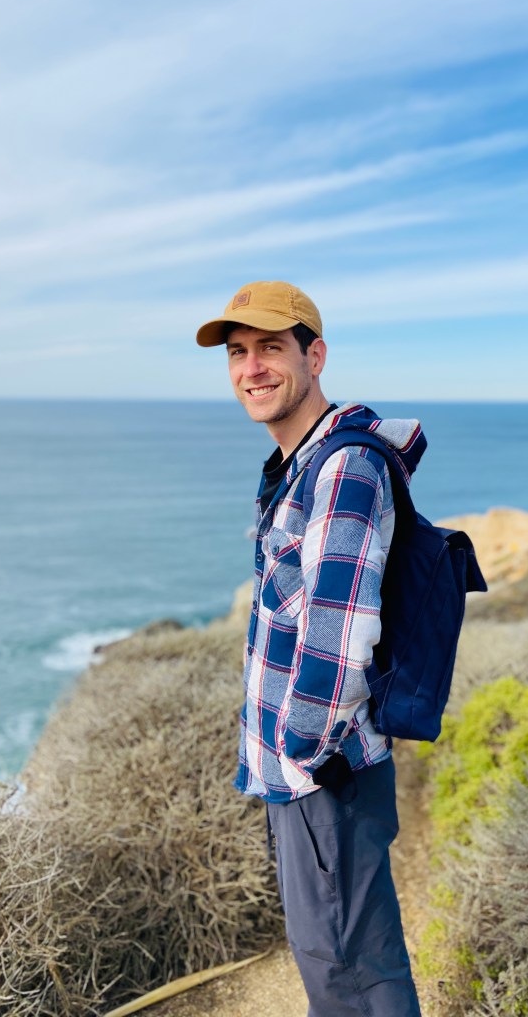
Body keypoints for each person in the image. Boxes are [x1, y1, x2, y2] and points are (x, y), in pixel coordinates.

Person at [196, 280, 424, 1016]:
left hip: (322, 772)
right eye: (238, 353)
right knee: (342, 960)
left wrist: (301, 748)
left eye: (271, 348)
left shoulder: (341, 470)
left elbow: (339, 630)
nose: (251, 369)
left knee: (351, 972)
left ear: (314, 354)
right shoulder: (303, 462)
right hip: (311, 772)